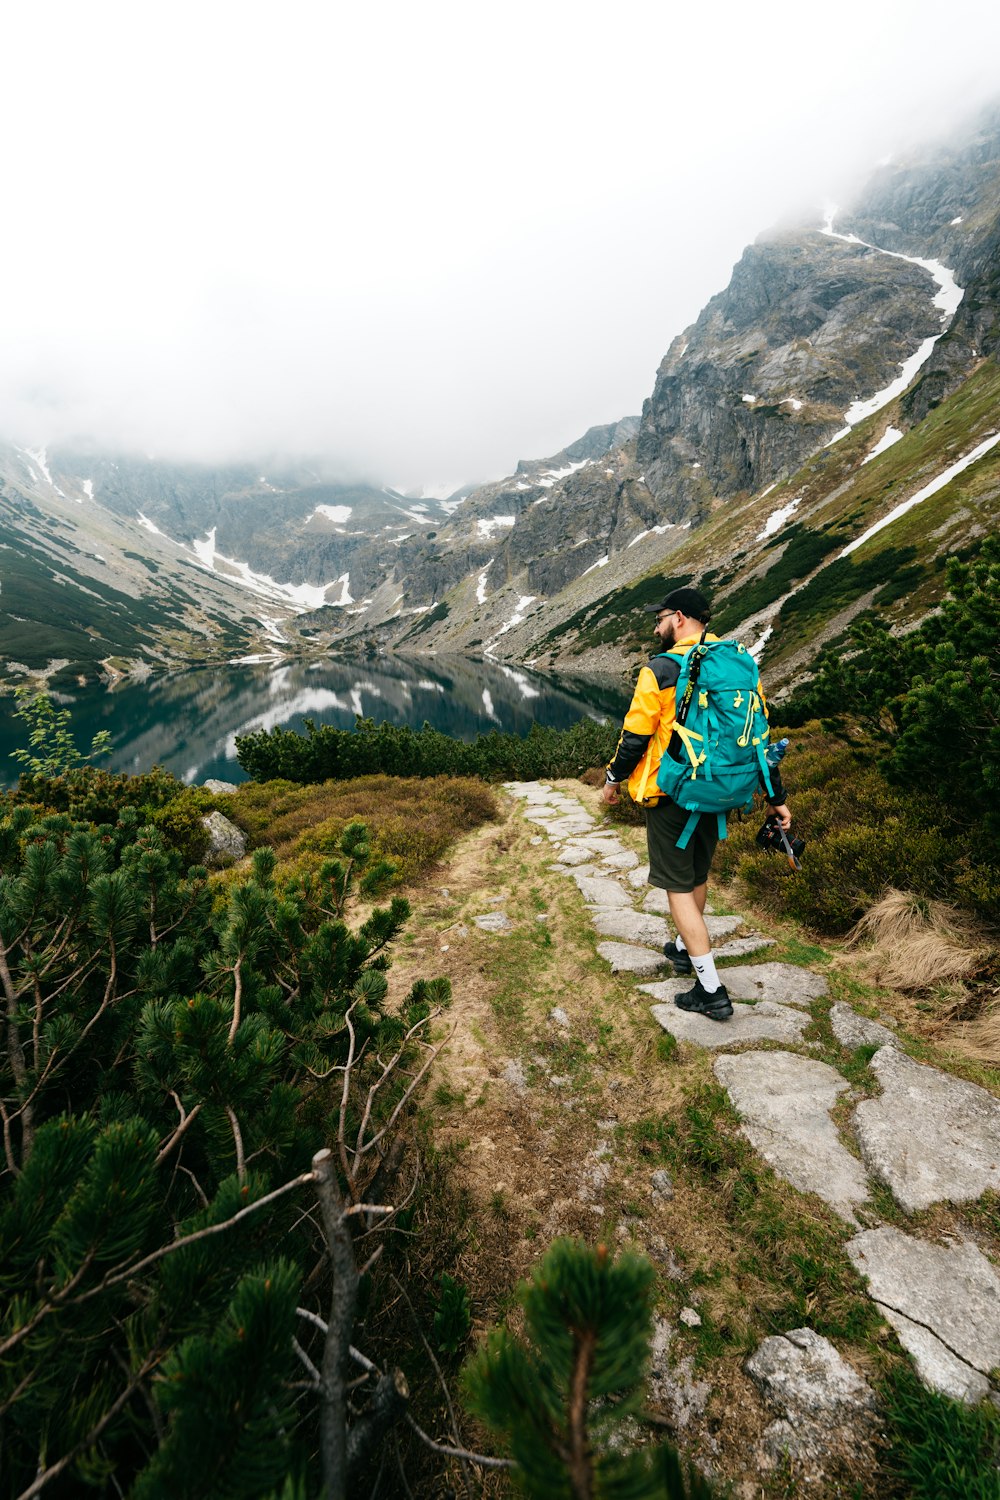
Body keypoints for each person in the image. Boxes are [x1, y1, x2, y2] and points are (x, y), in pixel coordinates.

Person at [601, 585, 792, 1022]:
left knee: (677, 886)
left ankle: (710, 989)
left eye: (661, 616)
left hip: (674, 792)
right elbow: (758, 734)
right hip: (719, 788)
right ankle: (685, 950)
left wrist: (613, 779)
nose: (656, 625)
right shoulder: (738, 664)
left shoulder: (662, 669)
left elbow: (635, 736)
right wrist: (775, 797)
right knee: (697, 873)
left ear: (681, 618)